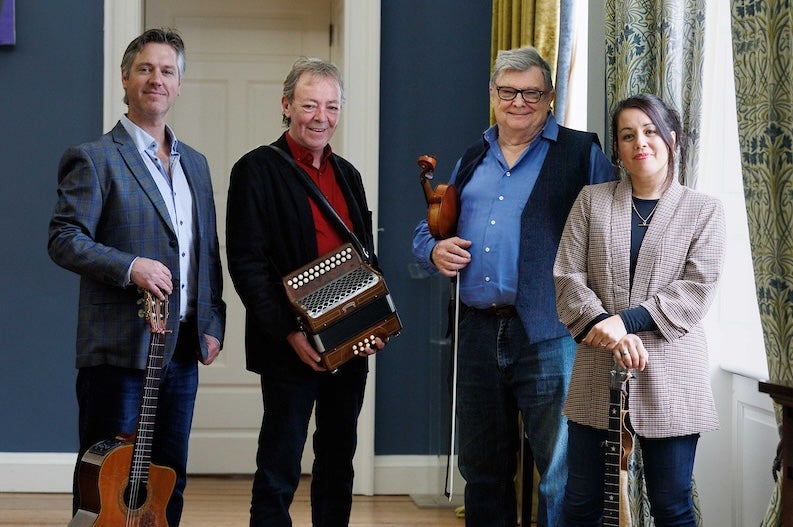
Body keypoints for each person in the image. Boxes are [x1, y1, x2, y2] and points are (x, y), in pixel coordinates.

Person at [412, 46, 616, 527]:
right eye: (507, 90)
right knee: (482, 472)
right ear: (492, 95)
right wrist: (433, 251)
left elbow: (611, 236)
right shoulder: (471, 157)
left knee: (560, 474)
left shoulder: (581, 152)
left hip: (552, 335)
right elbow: (429, 229)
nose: (518, 101)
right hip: (476, 333)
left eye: (531, 92)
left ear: (549, 98)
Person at [48, 28, 226, 527]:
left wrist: (213, 320)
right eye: (145, 69)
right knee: (106, 484)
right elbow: (64, 238)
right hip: (119, 351)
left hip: (182, 350)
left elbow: (207, 252)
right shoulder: (95, 158)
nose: (156, 79)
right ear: (125, 78)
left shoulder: (197, 164)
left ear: (179, 84)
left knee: (169, 480)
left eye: (167, 71)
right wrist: (131, 267)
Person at [226, 57, 386, 527]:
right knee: (279, 463)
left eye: (332, 106)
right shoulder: (255, 169)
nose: (321, 117)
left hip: (349, 341)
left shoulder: (350, 175)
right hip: (288, 344)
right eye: (310, 104)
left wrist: (374, 322)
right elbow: (247, 263)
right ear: (286, 105)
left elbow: (366, 259)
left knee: (338, 461)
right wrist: (288, 333)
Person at [553, 93, 725, 526]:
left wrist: (623, 322)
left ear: (671, 139)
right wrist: (608, 329)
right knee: (580, 502)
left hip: (673, 372)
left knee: (671, 506)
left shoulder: (704, 210)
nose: (639, 142)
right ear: (618, 149)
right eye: (628, 135)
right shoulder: (592, 201)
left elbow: (696, 288)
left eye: (650, 131)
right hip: (597, 365)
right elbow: (567, 276)